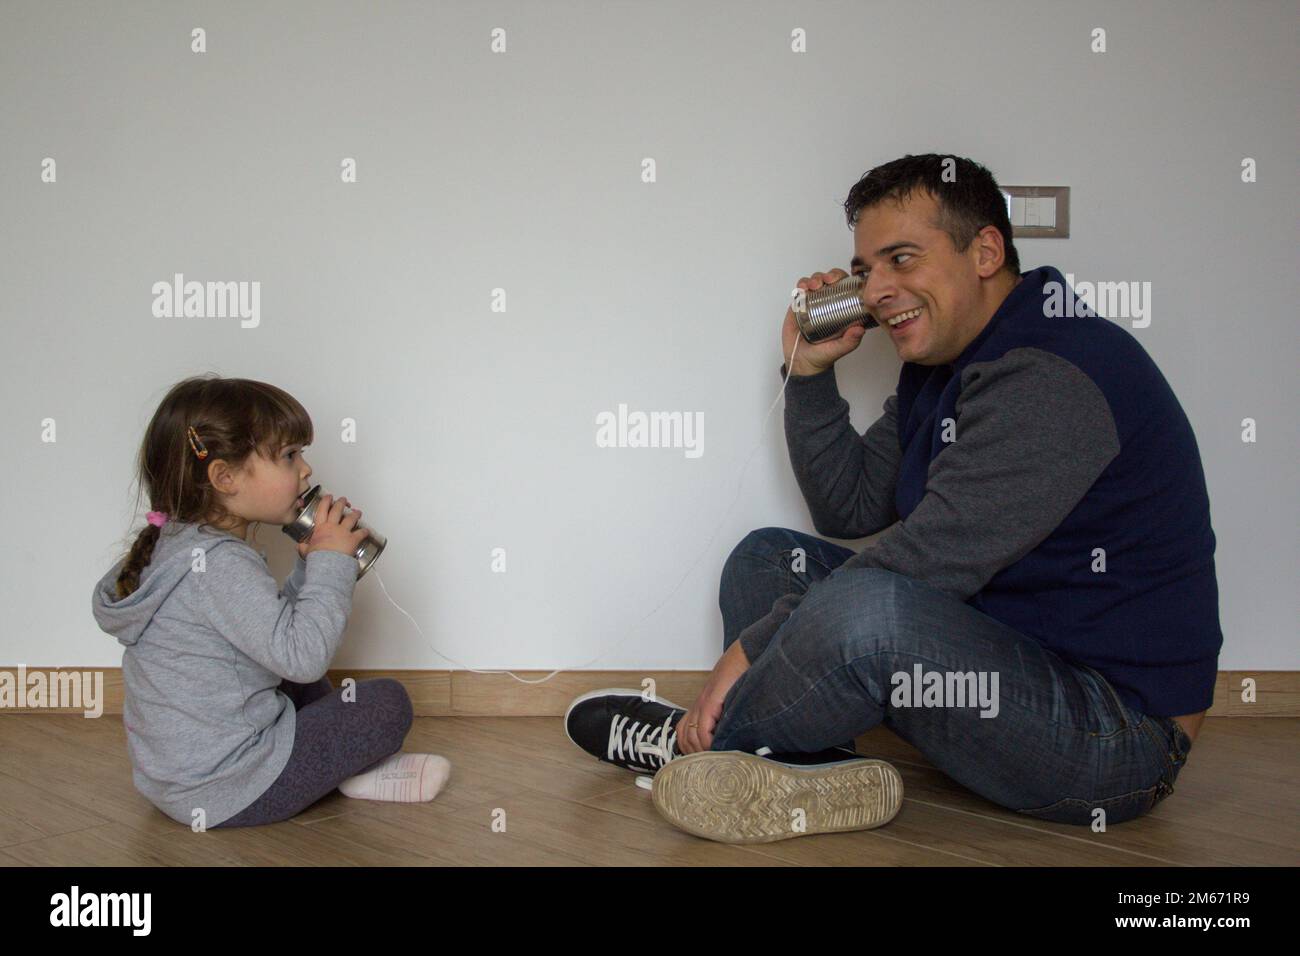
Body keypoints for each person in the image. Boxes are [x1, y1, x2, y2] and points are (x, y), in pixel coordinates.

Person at [566, 153, 1220, 844]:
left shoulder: (1052, 373)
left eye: (901, 259)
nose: (877, 290)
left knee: (871, 607)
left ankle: (690, 745)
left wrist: (752, 651)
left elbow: (925, 564)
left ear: (986, 252)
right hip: (1005, 657)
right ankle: (808, 768)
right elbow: (849, 508)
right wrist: (810, 373)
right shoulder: (946, 369)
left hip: (1114, 736)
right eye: (866, 270)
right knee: (766, 558)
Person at [91, 375, 450, 828]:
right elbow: (303, 659)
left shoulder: (180, 551)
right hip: (230, 786)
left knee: (291, 678)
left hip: (177, 784)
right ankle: (349, 772)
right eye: (289, 455)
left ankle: (344, 772)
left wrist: (310, 566)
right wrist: (332, 564)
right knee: (385, 703)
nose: (306, 470)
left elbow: (274, 639)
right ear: (224, 476)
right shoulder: (218, 564)